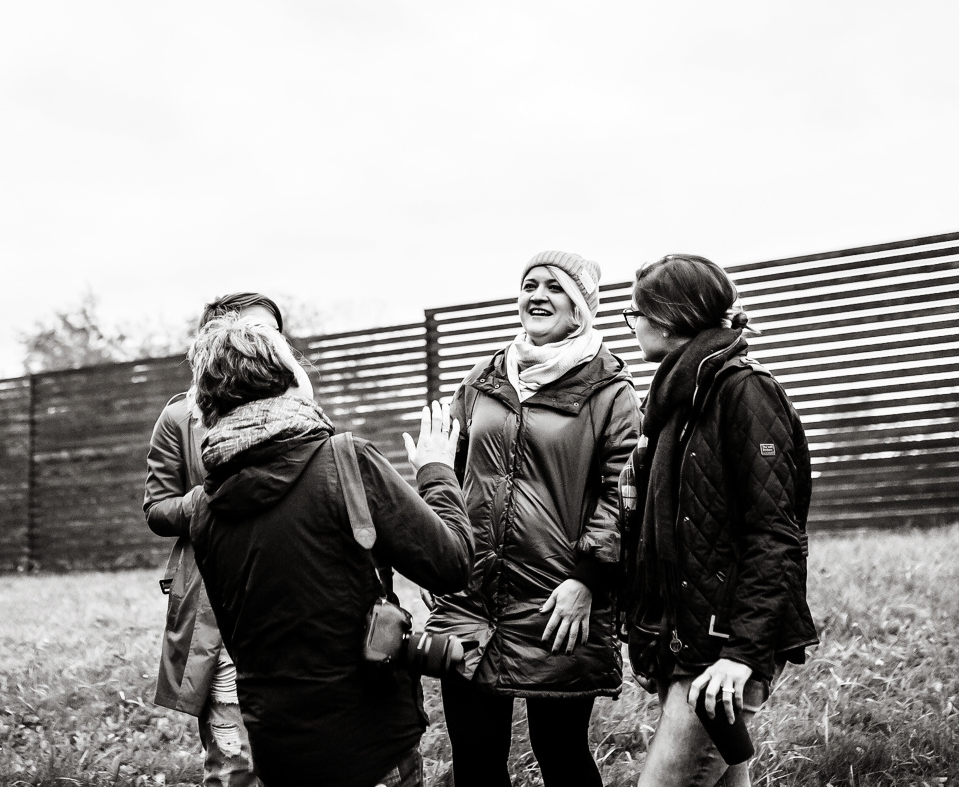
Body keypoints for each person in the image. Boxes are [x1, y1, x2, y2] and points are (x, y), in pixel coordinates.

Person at [185, 315, 474, 787]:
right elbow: (453, 563)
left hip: (279, 751)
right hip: (373, 746)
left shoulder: (205, 509)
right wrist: (438, 472)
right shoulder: (344, 460)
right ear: (285, 377)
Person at [426, 251, 642, 787]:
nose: (537, 295)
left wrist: (588, 580)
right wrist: (440, 556)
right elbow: (450, 469)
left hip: (557, 600)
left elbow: (623, 493)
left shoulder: (610, 390)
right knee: (474, 759)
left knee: (559, 752)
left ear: (582, 306)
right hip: (472, 596)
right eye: (529, 284)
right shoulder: (484, 377)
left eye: (555, 286)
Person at [617, 254, 818, 787]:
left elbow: (775, 535)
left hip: (718, 654)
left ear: (667, 315)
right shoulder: (679, 401)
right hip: (686, 645)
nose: (630, 323)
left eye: (632, 312)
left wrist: (741, 654)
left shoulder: (741, 391)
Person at [142, 292, 284, 787]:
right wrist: (212, 499)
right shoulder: (181, 417)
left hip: (290, 595)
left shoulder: (299, 411)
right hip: (217, 601)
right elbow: (157, 509)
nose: (264, 341)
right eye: (252, 329)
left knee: (299, 746)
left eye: (273, 332)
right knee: (233, 757)